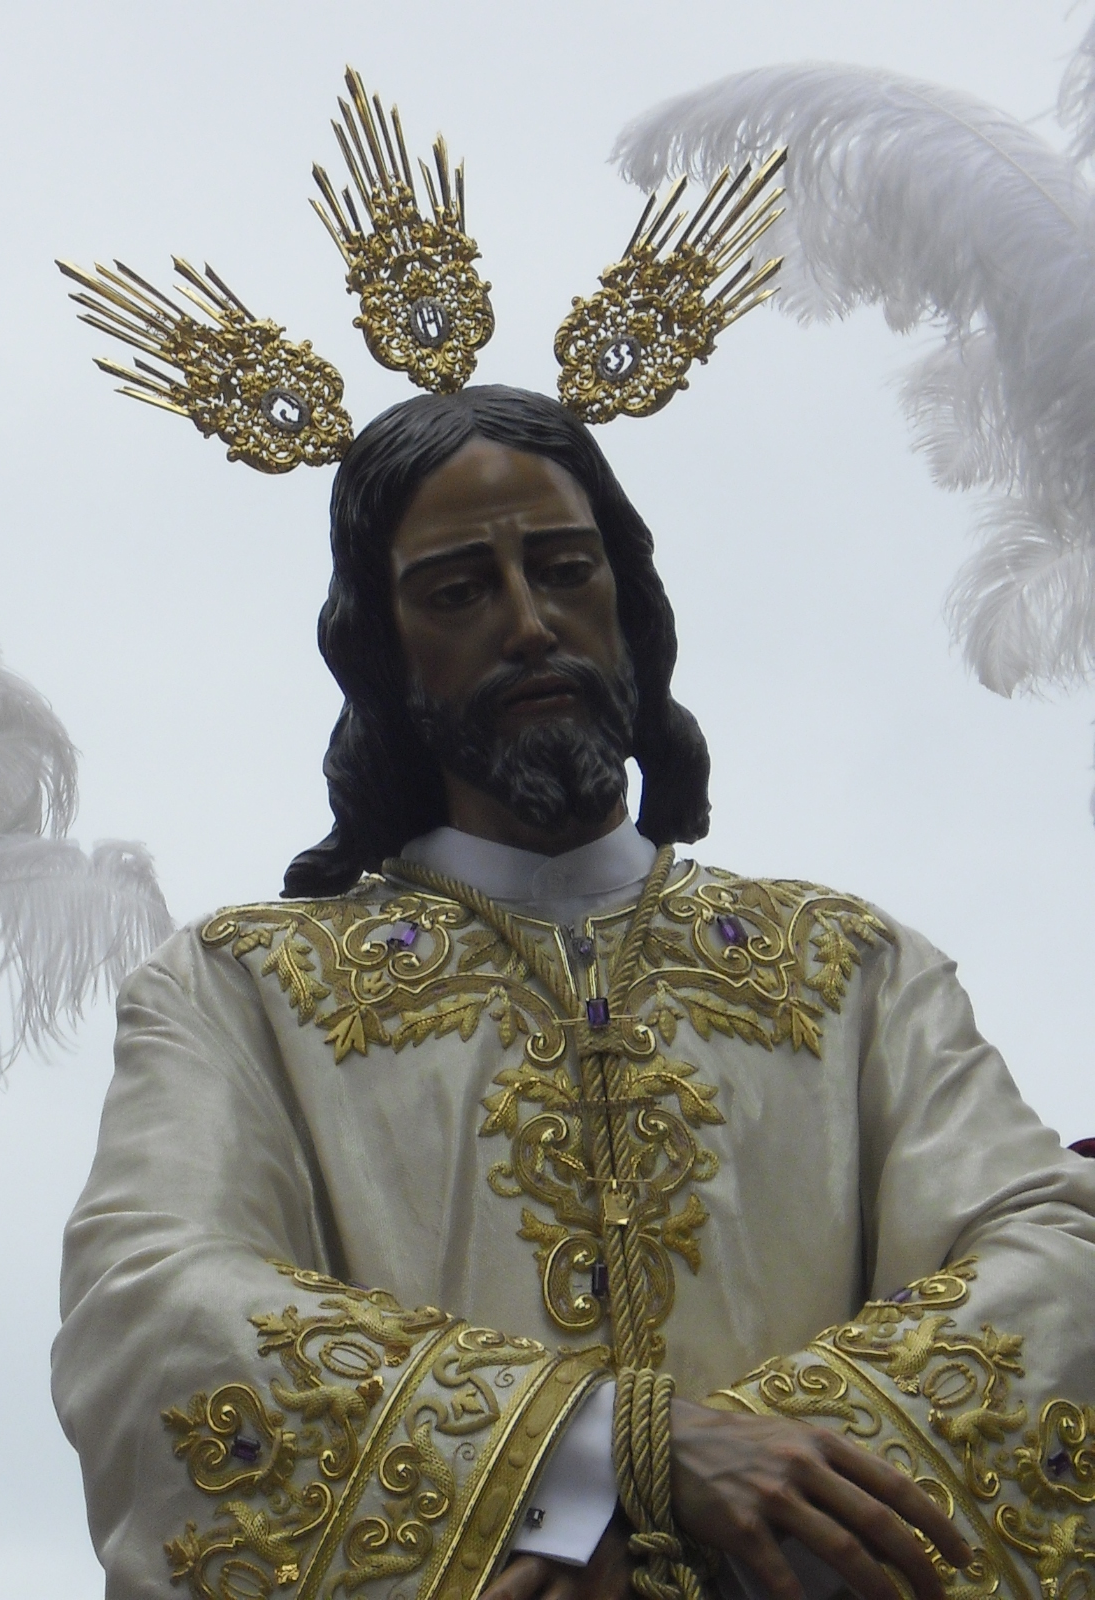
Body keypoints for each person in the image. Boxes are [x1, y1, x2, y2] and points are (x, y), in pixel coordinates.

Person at [53, 386, 1095, 1600]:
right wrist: (584, 1448)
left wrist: (746, 1474)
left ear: (626, 600)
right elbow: (150, 1300)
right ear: (384, 646)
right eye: (459, 591)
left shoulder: (855, 968)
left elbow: (1052, 1252)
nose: (530, 623)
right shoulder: (242, 989)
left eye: (563, 571)